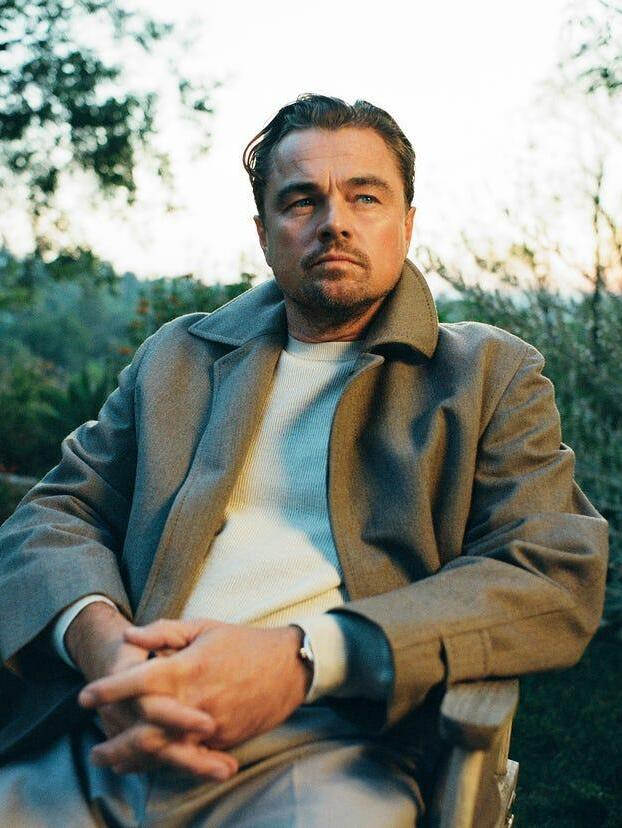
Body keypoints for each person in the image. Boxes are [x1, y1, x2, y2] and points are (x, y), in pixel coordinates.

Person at [0, 94, 608, 826]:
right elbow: (57, 511)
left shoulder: (487, 375)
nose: (334, 222)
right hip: (113, 724)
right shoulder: (179, 359)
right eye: (300, 200)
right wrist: (104, 647)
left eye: (365, 197)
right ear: (264, 234)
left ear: (407, 223)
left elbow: (549, 571)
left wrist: (304, 658)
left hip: (333, 749)